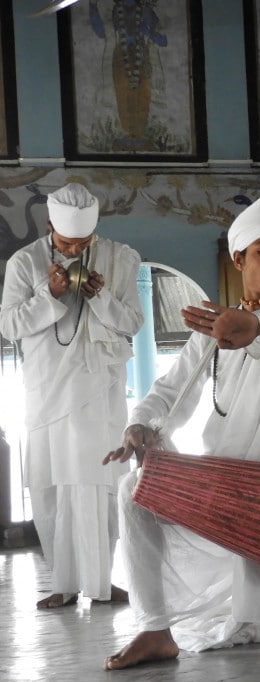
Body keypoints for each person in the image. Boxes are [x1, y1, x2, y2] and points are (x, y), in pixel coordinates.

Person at [102, 191, 260, 669]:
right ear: (238, 258)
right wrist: (141, 426)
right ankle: (154, 630)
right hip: (231, 488)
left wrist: (251, 326)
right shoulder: (210, 330)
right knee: (135, 490)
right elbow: (169, 392)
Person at [0, 182, 143, 609]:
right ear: (48, 228)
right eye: (66, 243)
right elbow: (8, 326)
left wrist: (100, 298)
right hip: (48, 391)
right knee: (52, 487)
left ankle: (101, 581)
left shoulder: (120, 258)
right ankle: (63, 583)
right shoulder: (24, 263)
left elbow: (132, 322)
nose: (76, 250)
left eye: (84, 243)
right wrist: (52, 295)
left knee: (101, 484)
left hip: (100, 389)